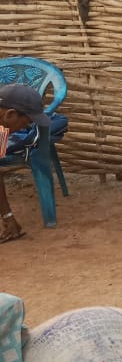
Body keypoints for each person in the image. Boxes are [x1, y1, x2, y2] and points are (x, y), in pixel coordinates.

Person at [0, 84, 52, 244]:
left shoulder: (2, 131)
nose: (26, 127)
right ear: (10, 114)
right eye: (25, 122)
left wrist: (8, 217)